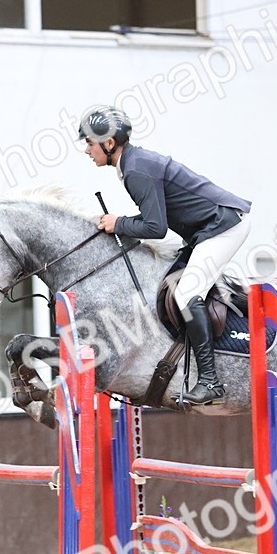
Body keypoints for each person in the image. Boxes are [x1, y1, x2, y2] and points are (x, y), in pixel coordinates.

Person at [79, 105, 252, 406]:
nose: (86, 150)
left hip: (224, 226)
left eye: (89, 142)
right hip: (209, 229)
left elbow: (155, 228)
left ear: (109, 143)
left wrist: (117, 222)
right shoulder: (133, 164)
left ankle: (210, 381)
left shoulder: (135, 169)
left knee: (186, 294)